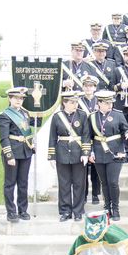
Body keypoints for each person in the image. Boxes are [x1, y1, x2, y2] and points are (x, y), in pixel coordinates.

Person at [88, 90, 128, 221]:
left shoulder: (118, 115)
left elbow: (127, 128)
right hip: (98, 152)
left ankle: (116, 208)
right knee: (104, 183)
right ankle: (107, 208)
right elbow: (88, 136)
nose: (110, 106)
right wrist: (90, 151)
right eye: (107, 103)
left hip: (115, 152)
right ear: (99, 103)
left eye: (111, 103)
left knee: (113, 182)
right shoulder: (92, 117)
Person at [48, 91, 90, 222]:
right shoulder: (57, 117)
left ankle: (78, 211)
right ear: (64, 103)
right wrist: (52, 156)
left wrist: (85, 153)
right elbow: (52, 137)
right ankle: (65, 211)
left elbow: (86, 136)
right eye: (72, 102)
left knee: (79, 184)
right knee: (64, 184)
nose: (75, 104)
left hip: (78, 154)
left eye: (76, 102)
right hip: (62, 153)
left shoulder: (82, 115)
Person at [0, 87, 34, 223]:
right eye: (16, 98)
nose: (19, 101)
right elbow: (4, 138)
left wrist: (40, 105)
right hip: (12, 151)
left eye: (21, 98)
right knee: (10, 183)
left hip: (26, 151)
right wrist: (9, 155)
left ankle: (23, 210)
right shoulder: (5, 115)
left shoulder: (25, 113)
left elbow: (32, 126)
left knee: (23, 183)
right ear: (10, 99)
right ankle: (11, 212)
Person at [79, 74, 101, 204]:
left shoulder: (100, 100)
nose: (88, 88)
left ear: (95, 87)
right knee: (83, 168)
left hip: (96, 136)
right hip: (82, 137)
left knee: (96, 169)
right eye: (86, 86)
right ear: (83, 87)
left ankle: (95, 194)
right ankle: (84, 193)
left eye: (91, 86)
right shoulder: (78, 101)